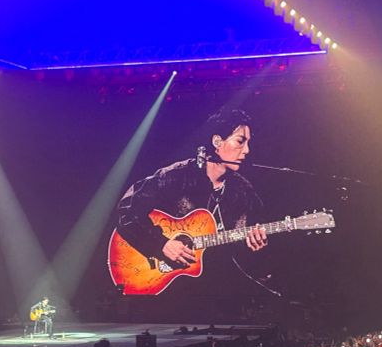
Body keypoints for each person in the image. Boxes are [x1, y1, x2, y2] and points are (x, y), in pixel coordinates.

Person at [114, 108, 267, 302]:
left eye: (248, 143)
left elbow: (241, 251)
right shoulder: (177, 176)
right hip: (167, 293)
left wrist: (254, 246)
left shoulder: (243, 191)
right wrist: (161, 244)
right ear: (217, 142)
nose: (247, 150)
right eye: (240, 141)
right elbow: (127, 212)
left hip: (217, 291)